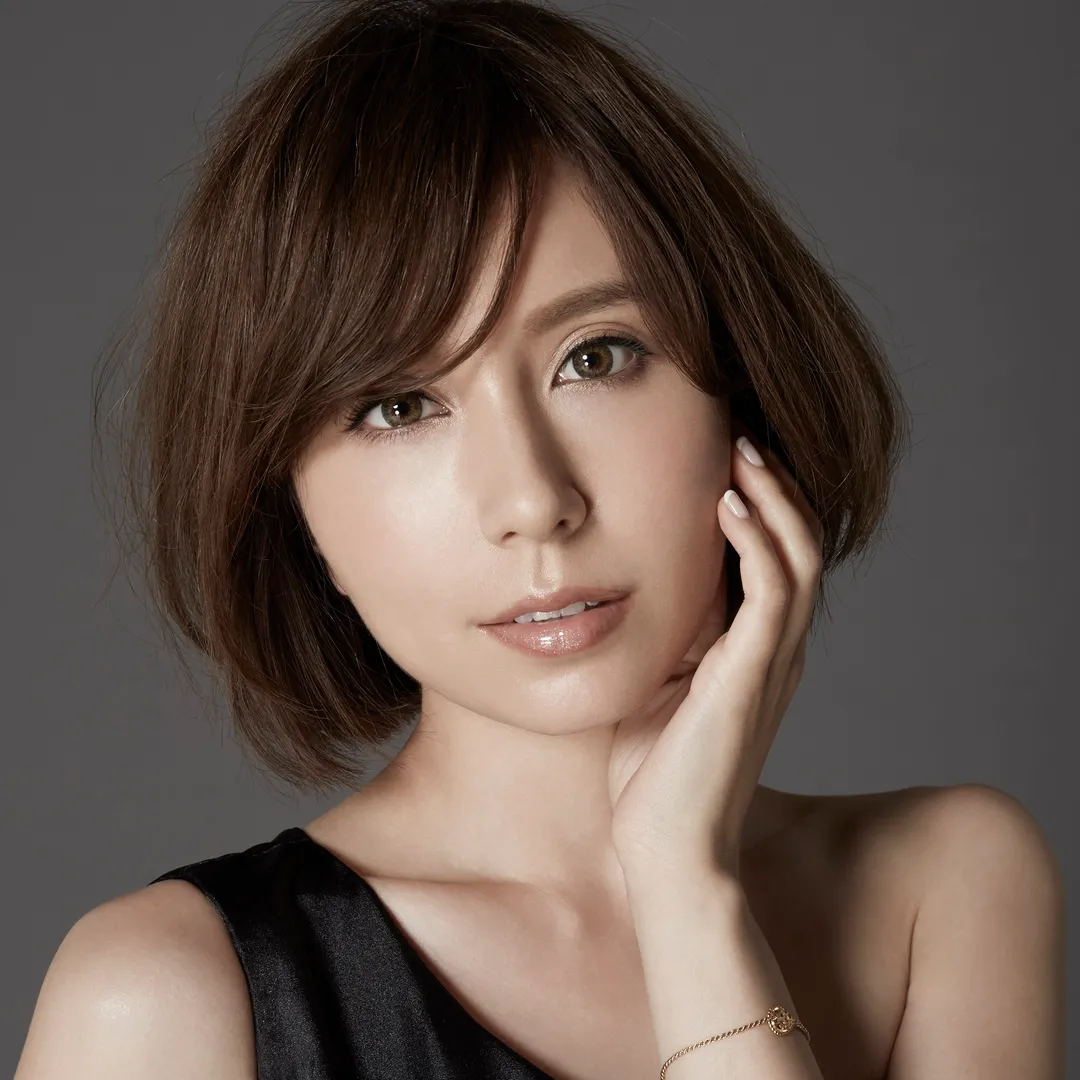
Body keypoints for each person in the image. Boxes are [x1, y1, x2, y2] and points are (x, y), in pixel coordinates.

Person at [15, 1, 1065, 1077]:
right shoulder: (164, 1001)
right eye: (399, 408)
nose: (532, 500)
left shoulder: (946, 887)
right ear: (292, 510)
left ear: (738, 392)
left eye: (595, 357)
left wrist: (684, 889)